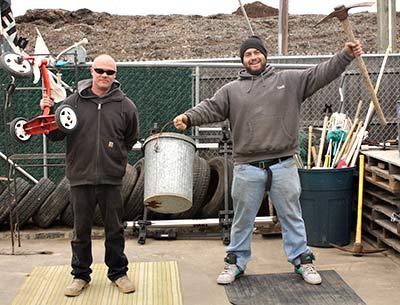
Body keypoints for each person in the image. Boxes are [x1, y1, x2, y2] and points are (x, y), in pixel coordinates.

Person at [174, 36, 363, 285]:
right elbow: (210, 107)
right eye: (248, 54)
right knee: (242, 220)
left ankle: (302, 262)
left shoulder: (290, 81)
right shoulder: (232, 90)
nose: (253, 57)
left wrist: (346, 55)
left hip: (283, 164)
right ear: (242, 60)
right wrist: (188, 117)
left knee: (292, 216)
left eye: (257, 52)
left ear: (265, 55)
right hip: (247, 167)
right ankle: (235, 263)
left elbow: (322, 73)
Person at [40, 54, 139, 296]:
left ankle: (118, 273)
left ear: (115, 76)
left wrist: (114, 158)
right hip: (80, 177)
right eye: (100, 70)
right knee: (80, 230)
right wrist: (48, 110)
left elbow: (130, 137)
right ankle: (80, 276)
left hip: (111, 178)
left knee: (114, 229)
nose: (104, 75)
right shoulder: (72, 103)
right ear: (91, 71)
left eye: (110, 72)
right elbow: (54, 135)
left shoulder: (126, 106)